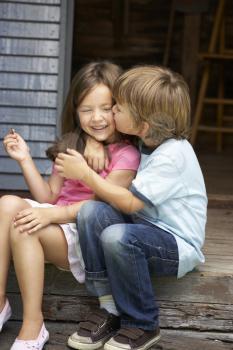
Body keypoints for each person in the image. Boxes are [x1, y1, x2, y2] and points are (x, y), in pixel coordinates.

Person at [55, 65, 208, 350]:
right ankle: (109, 306)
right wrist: (92, 141)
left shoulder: (173, 156)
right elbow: (105, 135)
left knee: (117, 236)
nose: (112, 112)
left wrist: (86, 175)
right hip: (145, 227)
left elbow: (128, 202)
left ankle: (143, 323)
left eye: (118, 108)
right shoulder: (146, 138)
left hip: (176, 245)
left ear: (143, 123)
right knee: (90, 212)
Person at [0, 61, 140, 350]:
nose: (97, 118)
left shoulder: (126, 155)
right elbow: (49, 196)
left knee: (24, 227)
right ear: (75, 110)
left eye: (105, 108)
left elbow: (103, 204)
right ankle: (0, 303)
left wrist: (49, 215)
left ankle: (33, 324)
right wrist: (25, 159)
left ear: (120, 108)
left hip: (84, 233)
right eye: (87, 110)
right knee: (7, 204)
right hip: (58, 219)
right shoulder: (70, 145)